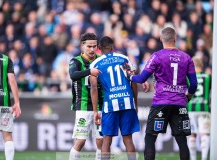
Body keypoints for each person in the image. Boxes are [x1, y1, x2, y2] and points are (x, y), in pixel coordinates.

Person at [121, 27, 198, 160]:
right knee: (182, 140)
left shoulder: (156, 56)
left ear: (161, 39)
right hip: (180, 103)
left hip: (161, 103)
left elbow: (141, 79)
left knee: (150, 137)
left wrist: (128, 76)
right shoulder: (187, 58)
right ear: (175, 39)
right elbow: (194, 84)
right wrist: (186, 98)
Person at [90, 36, 149, 160]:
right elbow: (132, 81)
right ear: (113, 47)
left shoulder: (96, 64)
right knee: (128, 139)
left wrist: (95, 111)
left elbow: (94, 87)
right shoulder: (124, 58)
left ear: (99, 49)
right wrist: (135, 103)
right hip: (127, 102)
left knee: (107, 139)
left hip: (110, 104)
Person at [69, 33, 103, 160]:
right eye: (89, 46)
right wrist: (89, 71)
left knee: (101, 141)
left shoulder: (100, 60)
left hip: (100, 105)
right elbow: (73, 75)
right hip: (83, 106)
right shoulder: (75, 61)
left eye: (94, 46)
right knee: (81, 141)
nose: (92, 49)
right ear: (82, 46)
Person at [188, 56, 211, 160]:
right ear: (201, 65)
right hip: (204, 109)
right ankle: (204, 158)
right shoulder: (208, 76)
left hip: (191, 109)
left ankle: (193, 158)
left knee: (192, 134)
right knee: (204, 134)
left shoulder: (188, 77)